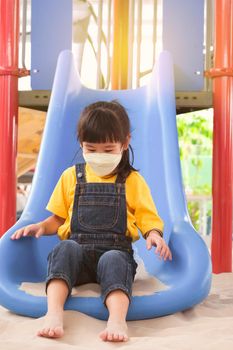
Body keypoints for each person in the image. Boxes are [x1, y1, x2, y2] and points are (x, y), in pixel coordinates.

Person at [11, 101, 172, 342]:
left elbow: (146, 217)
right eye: (91, 149)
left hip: (115, 253)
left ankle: (117, 320)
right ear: (81, 145)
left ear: (125, 143)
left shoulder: (132, 180)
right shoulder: (71, 176)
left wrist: (154, 234)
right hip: (78, 259)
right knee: (65, 248)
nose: (100, 156)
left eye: (108, 150)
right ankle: (54, 313)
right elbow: (59, 218)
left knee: (115, 259)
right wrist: (42, 227)